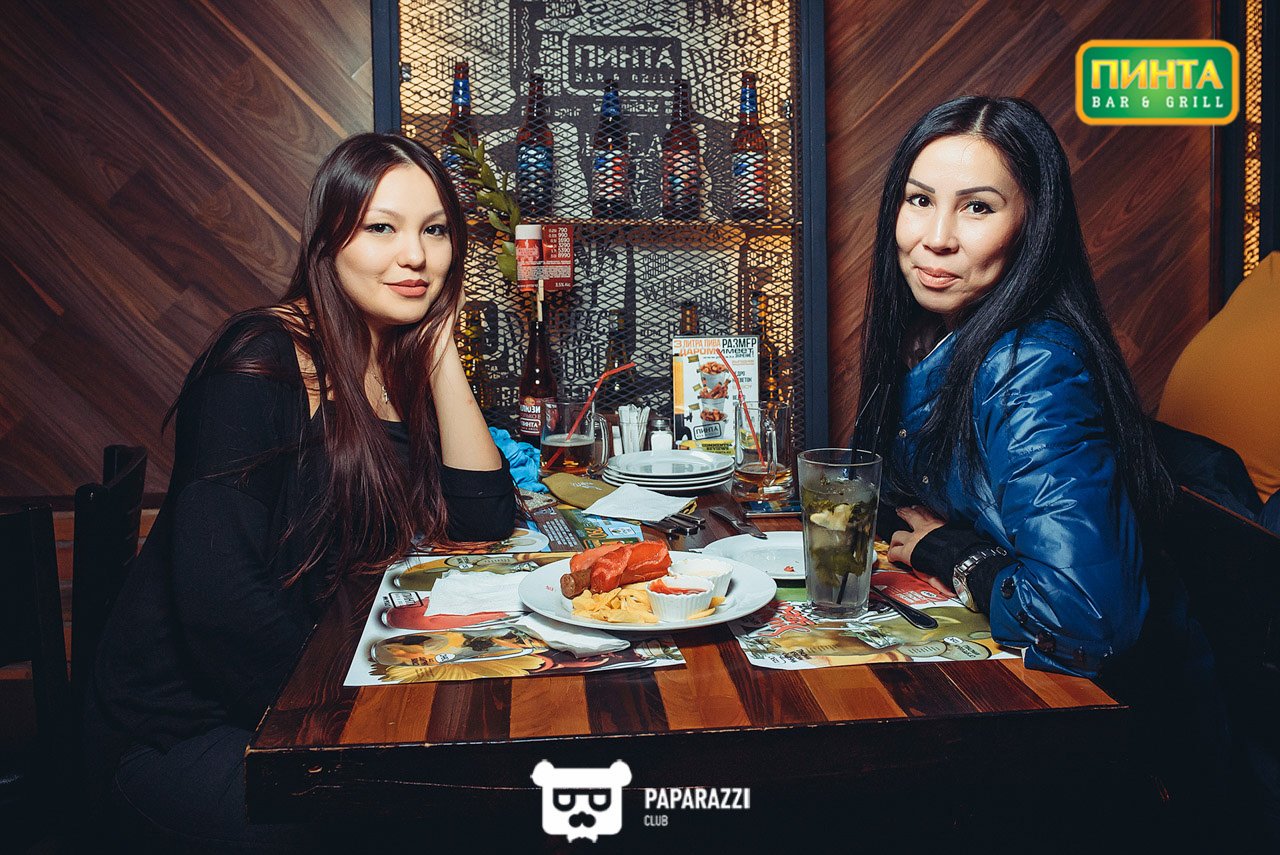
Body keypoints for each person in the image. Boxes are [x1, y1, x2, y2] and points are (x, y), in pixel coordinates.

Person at [86, 132, 517, 851]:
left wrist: (442, 346)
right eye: (382, 228)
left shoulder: (393, 357)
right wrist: (356, 718)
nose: (415, 255)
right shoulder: (258, 360)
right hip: (184, 729)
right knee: (435, 814)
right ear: (329, 240)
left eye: (435, 230)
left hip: (301, 690)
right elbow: (219, 599)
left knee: (482, 799)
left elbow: (484, 519)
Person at [854, 96, 1240, 840]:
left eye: (977, 207)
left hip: (1125, 762)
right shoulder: (937, 338)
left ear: (1032, 225)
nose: (936, 237)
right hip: (1041, 724)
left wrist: (951, 553)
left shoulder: (1028, 362)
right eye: (920, 200)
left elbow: (1083, 617)